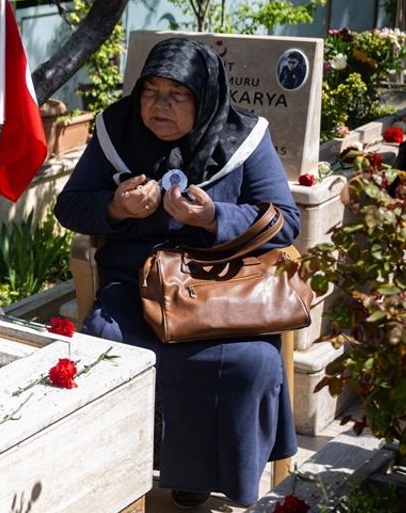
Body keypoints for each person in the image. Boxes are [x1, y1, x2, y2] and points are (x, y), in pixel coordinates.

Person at [54, 37, 299, 508]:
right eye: (151, 91)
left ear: (203, 96)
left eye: (177, 94)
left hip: (221, 287)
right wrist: (115, 206)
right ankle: (118, 476)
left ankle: (204, 475)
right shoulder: (116, 131)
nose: (158, 105)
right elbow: (70, 206)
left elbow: (285, 221)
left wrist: (213, 218)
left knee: (249, 364)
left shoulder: (244, 137)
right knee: (109, 350)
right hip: (135, 286)